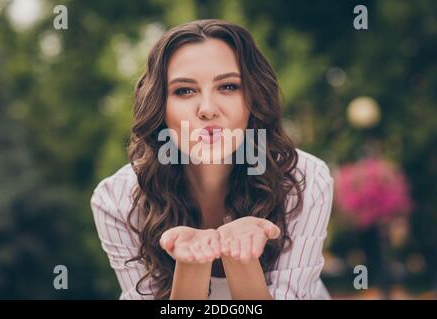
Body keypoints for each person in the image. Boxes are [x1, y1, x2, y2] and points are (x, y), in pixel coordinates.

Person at [90, 19, 333, 300]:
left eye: (228, 87)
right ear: (160, 107)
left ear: (253, 99)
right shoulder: (117, 198)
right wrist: (191, 266)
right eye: (184, 90)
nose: (207, 110)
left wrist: (241, 260)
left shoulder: (303, 179)